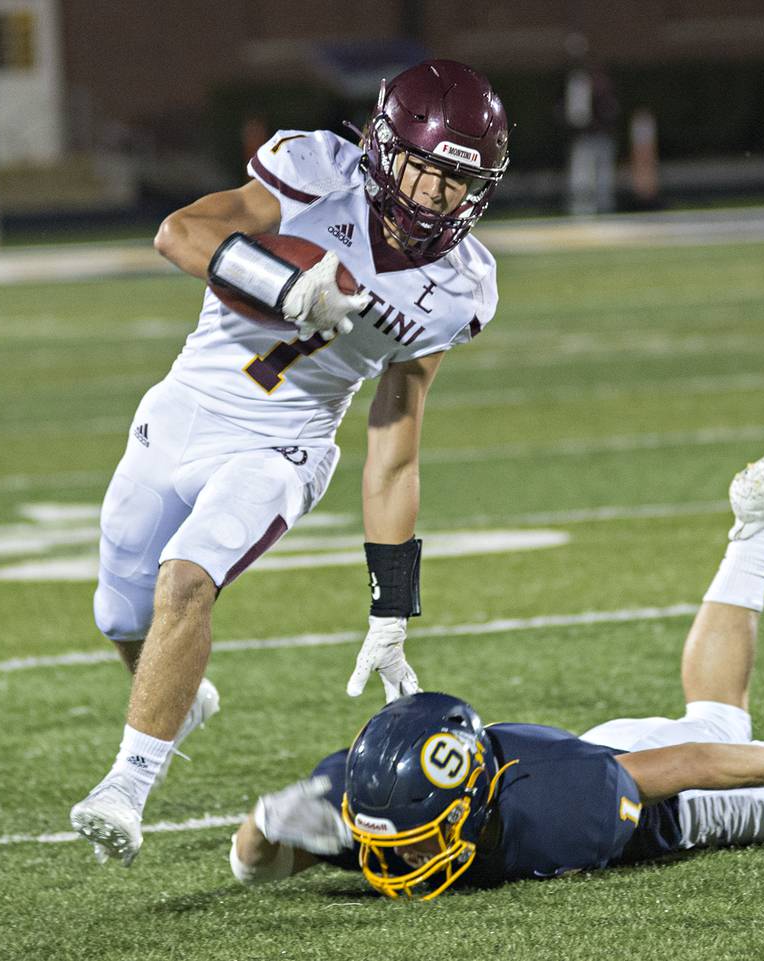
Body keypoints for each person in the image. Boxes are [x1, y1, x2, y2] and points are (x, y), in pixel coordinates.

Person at [228, 429, 764, 897]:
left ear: (472, 802)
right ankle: (756, 528)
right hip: (595, 750)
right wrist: (262, 828)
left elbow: (690, 764)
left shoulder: (555, 813)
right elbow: (259, 862)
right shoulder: (379, 792)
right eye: (400, 846)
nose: (408, 861)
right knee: (715, 713)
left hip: (654, 798)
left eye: (422, 840)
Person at [69, 59, 510, 867]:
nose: (434, 197)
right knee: (118, 612)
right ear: (380, 148)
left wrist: (391, 608)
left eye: (455, 182)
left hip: (285, 445)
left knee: (185, 580)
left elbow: (394, 446)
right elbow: (180, 232)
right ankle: (180, 693)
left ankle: (123, 789)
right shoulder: (313, 173)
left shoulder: (460, 286)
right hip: (181, 411)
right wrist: (289, 291)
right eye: (422, 168)